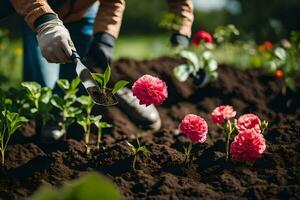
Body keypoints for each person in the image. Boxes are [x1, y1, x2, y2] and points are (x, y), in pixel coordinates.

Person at [7, 0, 194, 141]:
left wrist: (104, 39)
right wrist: (43, 20)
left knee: (89, 70)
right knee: (42, 90)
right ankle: (48, 124)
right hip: (39, 14)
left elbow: (113, 2)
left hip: (84, 13)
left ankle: (112, 92)